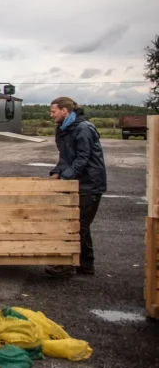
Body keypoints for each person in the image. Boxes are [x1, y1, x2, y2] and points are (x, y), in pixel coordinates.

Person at [46, 97, 106, 277]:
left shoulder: (83, 128)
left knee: (75, 225)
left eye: (53, 111)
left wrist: (66, 176)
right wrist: (57, 172)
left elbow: (83, 158)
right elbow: (65, 157)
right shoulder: (63, 129)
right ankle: (86, 265)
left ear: (65, 111)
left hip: (90, 183)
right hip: (79, 182)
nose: (51, 115)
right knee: (80, 224)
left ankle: (66, 265)